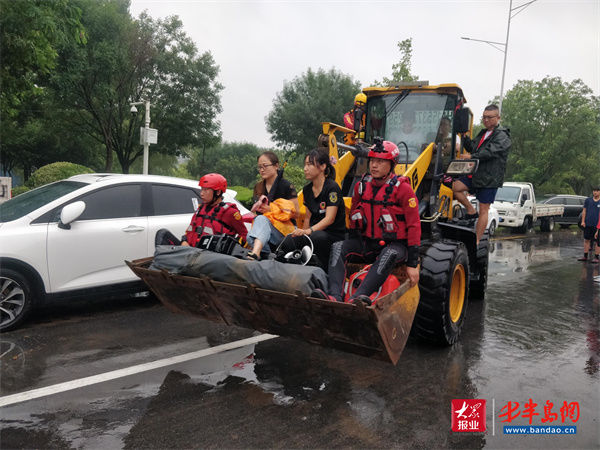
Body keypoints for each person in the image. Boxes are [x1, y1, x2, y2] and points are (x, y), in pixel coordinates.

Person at [312, 140, 421, 305]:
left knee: (388, 254)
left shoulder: (403, 189)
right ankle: (334, 296)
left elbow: (414, 226)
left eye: (380, 161)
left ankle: (358, 298)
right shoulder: (361, 186)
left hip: (396, 246)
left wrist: (412, 264)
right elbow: (354, 217)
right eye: (372, 161)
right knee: (338, 247)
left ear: (391, 164)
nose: (374, 165)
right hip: (367, 244)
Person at [452, 104, 511, 244]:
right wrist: (464, 136)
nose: (486, 120)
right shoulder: (483, 133)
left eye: (489, 117)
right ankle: (471, 210)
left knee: (484, 209)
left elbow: (490, 152)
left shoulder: (502, 136)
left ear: (498, 118)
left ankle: (477, 241)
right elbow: (473, 146)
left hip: (489, 178)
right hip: (475, 174)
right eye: (484, 117)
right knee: (455, 187)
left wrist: (471, 156)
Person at [155, 173, 247, 247]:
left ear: (218, 192)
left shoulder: (230, 212)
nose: (201, 194)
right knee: (162, 234)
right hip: (191, 252)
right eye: (202, 189)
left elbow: (244, 235)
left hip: (211, 258)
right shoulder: (200, 209)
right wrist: (184, 241)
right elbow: (189, 231)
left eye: (206, 190)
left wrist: (229, 247)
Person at [290, 149, 346, 269]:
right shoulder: (307, 190)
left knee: (318, 237)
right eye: (305, 164)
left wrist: (308, 231)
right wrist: (303, 236)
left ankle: (323, 271)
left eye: (309, 164)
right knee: (291, 240)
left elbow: (329, 219)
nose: (305, 168)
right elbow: (308, 218)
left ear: (323, 166)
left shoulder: (332, 188)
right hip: (313, 232)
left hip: (332, 235)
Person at [247, 151, 299, 259]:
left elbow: (296, 213)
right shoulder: (258, 187)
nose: (262, 170)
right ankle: (266, 254)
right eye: (259, 167)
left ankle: (256, 253)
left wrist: (272, 210)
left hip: (285, 231)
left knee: (261, 220)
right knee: (250, 235)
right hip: (265, 230)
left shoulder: (287, 185)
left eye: (265, 166)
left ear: (276, 166)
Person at [579, 186, 600, 263]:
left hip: (597, 225)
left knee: (597, 242)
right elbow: (584, 211)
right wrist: (583, 221)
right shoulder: (588, 200)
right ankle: (585, 256)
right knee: (586, 240)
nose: (595, 192)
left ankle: (596, 257)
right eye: (594, 191)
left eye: (597, 191)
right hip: (588, 224)